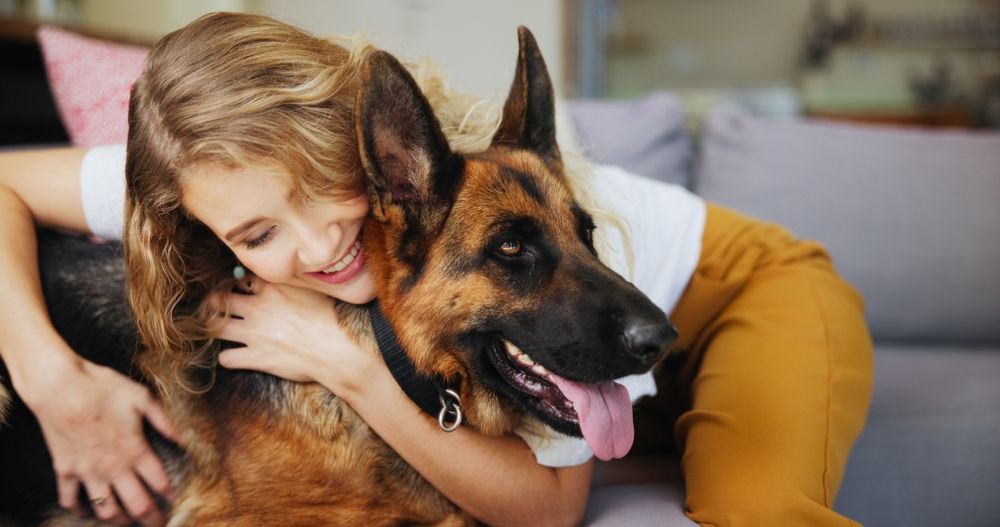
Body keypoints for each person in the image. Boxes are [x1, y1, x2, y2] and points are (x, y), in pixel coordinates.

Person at [0, 11, 874, 527]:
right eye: (261, 232)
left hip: (741, 283)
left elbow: (551, 510)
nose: (316, 249)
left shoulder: (515, 206)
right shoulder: (208, 181)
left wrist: (348, 365)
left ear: (376, 155)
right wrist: (50, 376)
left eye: (325, 194)